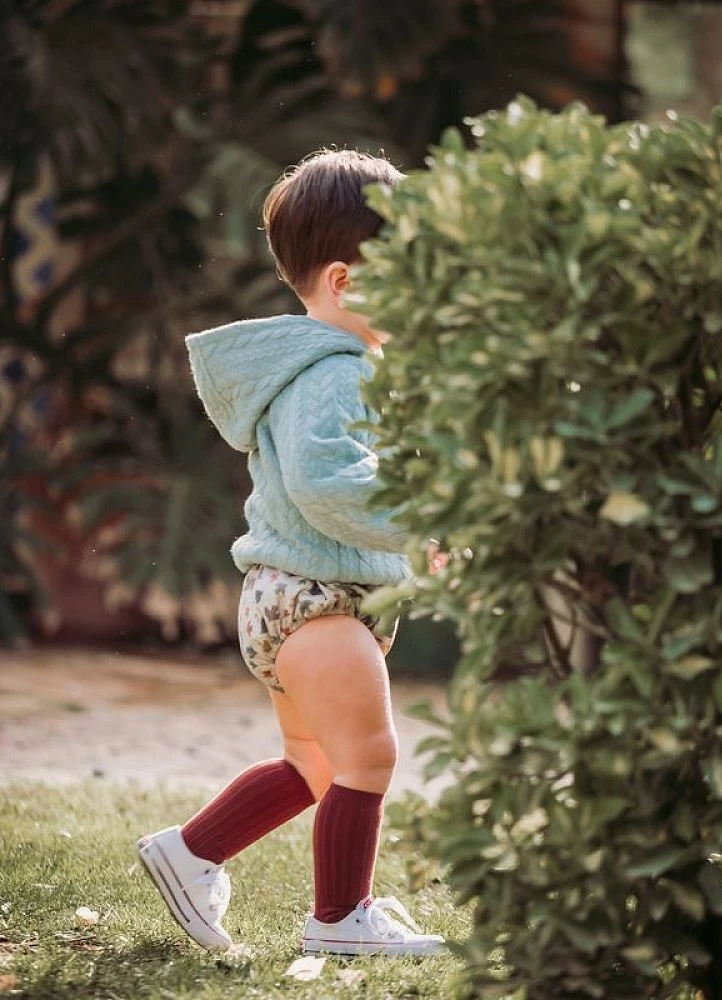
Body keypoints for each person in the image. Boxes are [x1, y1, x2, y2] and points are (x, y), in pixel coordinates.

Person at [135, 150, 446, 958]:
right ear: (346, 282)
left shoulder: (337, 369)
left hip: (298, 599)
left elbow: (358, 478)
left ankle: (189, 852)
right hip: (317, 601)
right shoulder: (333, 373)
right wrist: (422, 521)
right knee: (369, 755)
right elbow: (329, 486)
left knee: (314, 764)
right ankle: (341, 920)